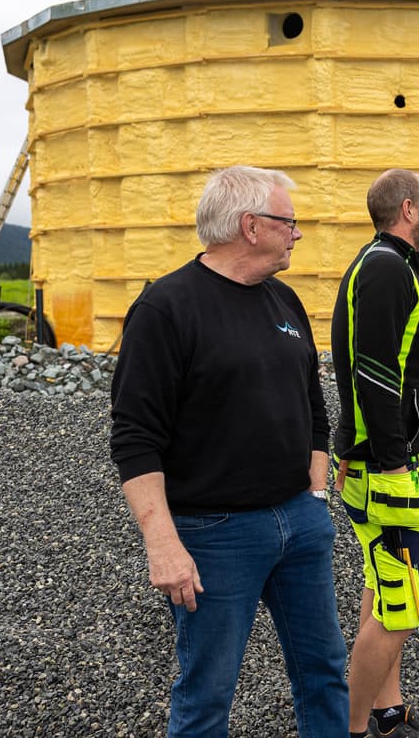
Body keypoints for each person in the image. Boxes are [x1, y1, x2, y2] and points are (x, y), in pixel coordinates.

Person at [109, 165, 349, 736]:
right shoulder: (166, 309)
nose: (297, 233)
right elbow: (134, 437)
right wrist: (163, 545)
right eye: (288, 222)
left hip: (299, 521)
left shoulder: (284, 300)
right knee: (208, 692)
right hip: (214, 535)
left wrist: (314, 494)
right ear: (250, 226)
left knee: (324, 671)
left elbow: (313, 404)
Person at [331, 169, 419, 738]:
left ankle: (388, 714)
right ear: (407, 209)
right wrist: (394, 463)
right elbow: (373, 374)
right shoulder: (383, 269)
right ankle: (346, 728)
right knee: (403, 609)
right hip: (388, 468)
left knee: (385, 589)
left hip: (381, 459)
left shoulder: (387, 265)